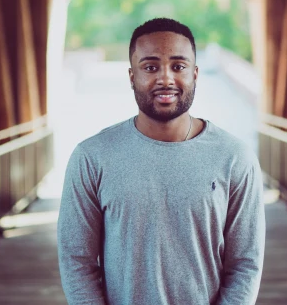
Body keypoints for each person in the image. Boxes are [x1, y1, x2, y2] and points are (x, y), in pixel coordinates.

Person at [57, 17, 266, 305]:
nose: (165, 78)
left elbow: (246, 264)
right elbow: (76, 261)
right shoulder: (91, 157)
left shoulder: (235, 158)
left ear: (195, 74)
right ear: (132, 76)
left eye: (178, 67)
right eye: (150, 67)